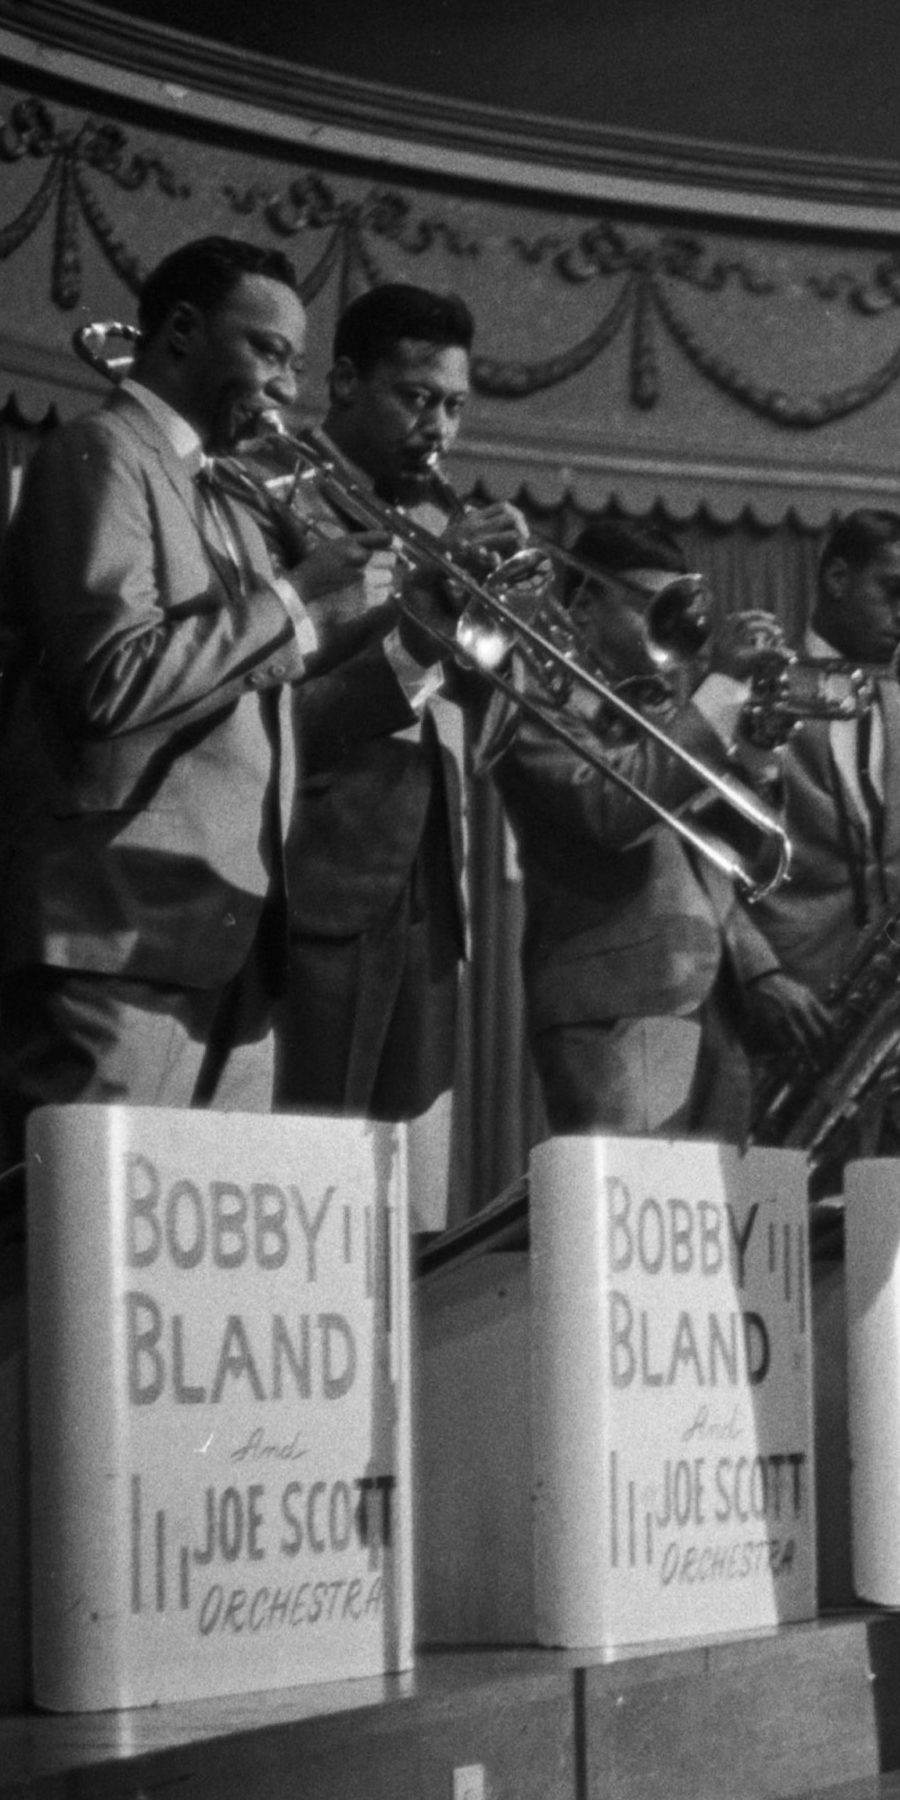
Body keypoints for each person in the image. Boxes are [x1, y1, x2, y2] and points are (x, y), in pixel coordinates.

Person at [0, 236, 394, 1111]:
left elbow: (275, 717)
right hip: (117, 928)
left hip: (230, 932)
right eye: (270, 352)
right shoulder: (101, 452)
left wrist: (416, 638)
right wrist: (294, 599)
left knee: (206, 1244)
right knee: (94, 1236)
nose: (290, 389)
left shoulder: (231, 497)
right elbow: (110, 680)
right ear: (180, 333)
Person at [272, 283, 528, 1215]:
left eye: (455, 405)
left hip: (430, 879)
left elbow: (479, 725)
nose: (440, 426)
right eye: (418, 396)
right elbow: (302, 707)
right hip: (323, 870)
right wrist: (432, 605)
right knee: (315, 1182)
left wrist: (509, 641)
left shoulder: (435, 514)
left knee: (413, 1207)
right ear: (343, 380)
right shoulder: (281, 489)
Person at [492, 521, 775, 1140]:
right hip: (611, 1006)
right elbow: (610, 811)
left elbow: (746, 851)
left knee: (708, 1232)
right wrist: (720, 693)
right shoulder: (535, 693)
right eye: (652, 609)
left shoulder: (668, 708)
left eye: (678, 611)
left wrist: (755, 751)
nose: (672, 630)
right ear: (585, 606)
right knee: (623, 1222)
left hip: (713, 1002)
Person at [732, 509, 900, 1157]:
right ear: (837, 577)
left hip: (893, 1018)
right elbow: (709, 856)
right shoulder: (757, 683)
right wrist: (760, 974)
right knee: (784, 1231)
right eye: (893, 591)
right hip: (791, 1018)